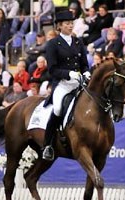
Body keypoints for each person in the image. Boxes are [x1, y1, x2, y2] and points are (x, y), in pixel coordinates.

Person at [43, 10, 89, 161]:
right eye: (67, 24)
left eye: (72, 23)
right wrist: (68, 74)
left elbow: (84, 65)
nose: (70, 26)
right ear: (60, 26)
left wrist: (87, 73)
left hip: (79, 82)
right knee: (57, 109)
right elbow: (52, 70)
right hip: (62, 84)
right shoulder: (52, 44)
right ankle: (48, 145)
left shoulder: (78, 42)